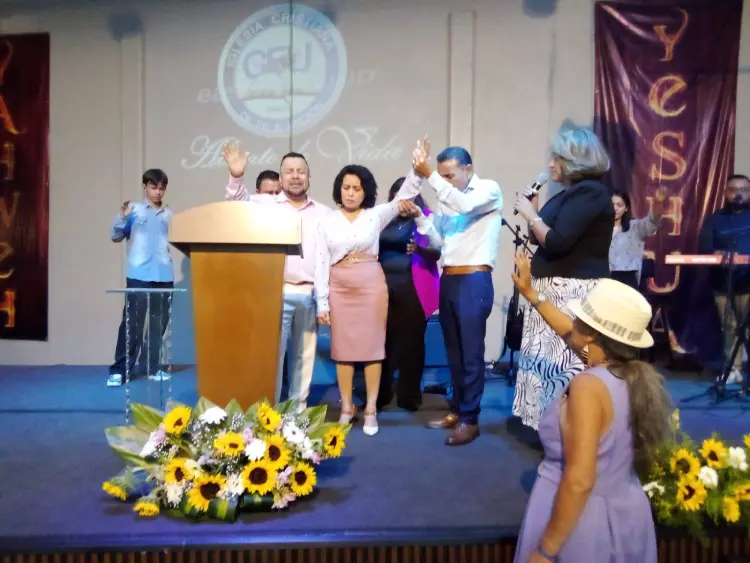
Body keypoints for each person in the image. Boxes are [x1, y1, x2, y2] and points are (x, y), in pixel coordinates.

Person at [510, 252, 670, 563]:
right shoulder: (627, 374)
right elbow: (571, 335)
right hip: (624, 516)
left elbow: (580, 479)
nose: (574, 323)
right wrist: (531, 294)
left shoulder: (588, 386)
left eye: (580, 318)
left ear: (593, 333)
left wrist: (545, 550)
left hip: (584, 526)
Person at [398, 140, 503, 446]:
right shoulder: (448, 197)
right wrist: (419, 215)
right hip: (450, 278)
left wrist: (429, 175)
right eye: (441, 175)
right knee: (454, 352)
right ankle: (458, 409)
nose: (444, 181)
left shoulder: (488, 190)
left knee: (471, 353)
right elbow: (438, 240)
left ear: (468, 169)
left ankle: (471, 419)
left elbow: (465, 205)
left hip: (474, 278)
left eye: (449, 175)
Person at [512, 126, 614, 430]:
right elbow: (540, 236)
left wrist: (531, 215)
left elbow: (557, 242)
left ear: (574, 160)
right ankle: (549, 427)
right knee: (545, 364)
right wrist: (534, 211)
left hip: (572, 290)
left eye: (556, 158)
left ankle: (571, 428)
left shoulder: (590, 192)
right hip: (551, 289)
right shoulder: (568, 194)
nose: (550, 164)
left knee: (563, 363)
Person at [315, 161, 423, 436]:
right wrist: (322, 302)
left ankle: (371, 409)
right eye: (346, 188)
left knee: (374, 348)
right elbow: (320, 262)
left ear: (366, 192)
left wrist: (417, 169)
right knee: (342, 349)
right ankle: (347, 408)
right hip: (339, 286)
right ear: (339, 190)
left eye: (357, 188)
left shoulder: (375, 215)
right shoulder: (327, 220)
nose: (351, 193)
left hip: (370, 285)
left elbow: (404, 195)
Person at [222, 143, 332, 411]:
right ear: (281, 178)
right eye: (289, 171)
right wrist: (236, 175)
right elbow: (236, 204)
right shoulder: (266, 204)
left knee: (304, 356)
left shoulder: (325, 213)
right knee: (271, 357)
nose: (295, 176)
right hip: (275, 291)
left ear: (309, 178)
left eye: (301, 171)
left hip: (309, 293)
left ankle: (297, 411)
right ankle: (267, 411)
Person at [377, 179, 441, 411]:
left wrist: (419, 249)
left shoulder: (426, 218)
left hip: (414, 286)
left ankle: (409, 396)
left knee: (412, 342)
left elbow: (437, 251)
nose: (402, 203)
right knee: (383, 342)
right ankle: (380, 394)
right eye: (397, 197)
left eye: (407, 197)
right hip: (382, 285)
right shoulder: (384, 218)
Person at [108, 169, 174, 387]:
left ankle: (151, 367)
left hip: (164, 275)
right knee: (132, 324)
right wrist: (122, 217)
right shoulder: (133, 210)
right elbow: (116, 236)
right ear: (145, 186)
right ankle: (120, 370)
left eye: (162, 188)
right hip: (139, 275)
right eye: (154, 187)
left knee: (158, 324)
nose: (158, 192)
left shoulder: (170, 214)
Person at [698, 173, 750, 385]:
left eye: (743, 189)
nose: (738, 194)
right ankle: (733, 370)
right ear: (726, 193)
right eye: (733, 190)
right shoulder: (715, 219)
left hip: (748, 283)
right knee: (729, 327)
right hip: (723, 284)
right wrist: (717, 254)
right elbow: (704, 247)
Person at [609, 187, 666, 289]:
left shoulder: (635, 227)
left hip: (627, 281)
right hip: (603, 280)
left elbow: (652, 221)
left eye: (619, 205)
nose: (615, 208)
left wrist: (658, 202)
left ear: (626, 208)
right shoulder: (597, 229)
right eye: (612, 204)